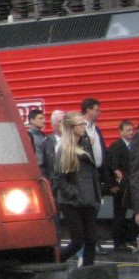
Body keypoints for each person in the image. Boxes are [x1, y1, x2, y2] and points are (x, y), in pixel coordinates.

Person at [52, 111, 102, 266]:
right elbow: (59, 178)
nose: (83, 127)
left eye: (83, 124)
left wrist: (96, 196)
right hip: (72, 202)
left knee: (91, 240)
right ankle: (55, 263)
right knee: (77, 241)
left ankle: (88, 271)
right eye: (80, 124)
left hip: (88, 200)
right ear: (71, 127)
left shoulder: (85, 144)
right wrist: (74, 193)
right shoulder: (64, 149)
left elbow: (92, 173)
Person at [106, 119, 136, 251]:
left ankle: (129, 236)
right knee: (120, 214)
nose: (131, 133)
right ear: (120, 131)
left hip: (133, 185)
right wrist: (113, 184)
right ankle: (118, 242)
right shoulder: (116, 146)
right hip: (121, 186)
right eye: (128, 130)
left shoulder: (134, 146)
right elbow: (112, 167)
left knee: (134, 212)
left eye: (132, 130)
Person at [39, 108, 64, 184]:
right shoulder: (46, 143)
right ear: (53, 124)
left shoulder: (75, 140)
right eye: (60, 121)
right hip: (55, 185)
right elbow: (43, 167)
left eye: (65, 121)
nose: (63, 124)